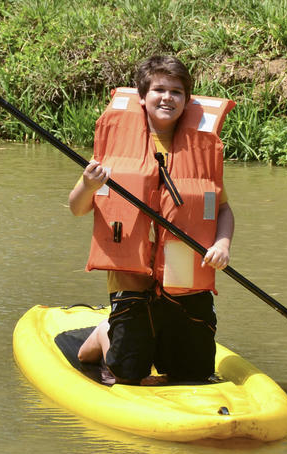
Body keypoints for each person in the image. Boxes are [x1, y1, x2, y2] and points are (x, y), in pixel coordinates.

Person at [68, 55, 235, 384]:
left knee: (194, 374)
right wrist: (89, 184)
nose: (167, 97)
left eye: (176, 91)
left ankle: (157, 340)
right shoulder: (115, 151)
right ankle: (105, 333)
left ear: (187, 101)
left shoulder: (201, 152)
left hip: (183, 272)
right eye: (159, 89)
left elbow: (224, 209)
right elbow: (77, 207)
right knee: (128, 374)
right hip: (131, 276)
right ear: (142, 97)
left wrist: (222, 243)